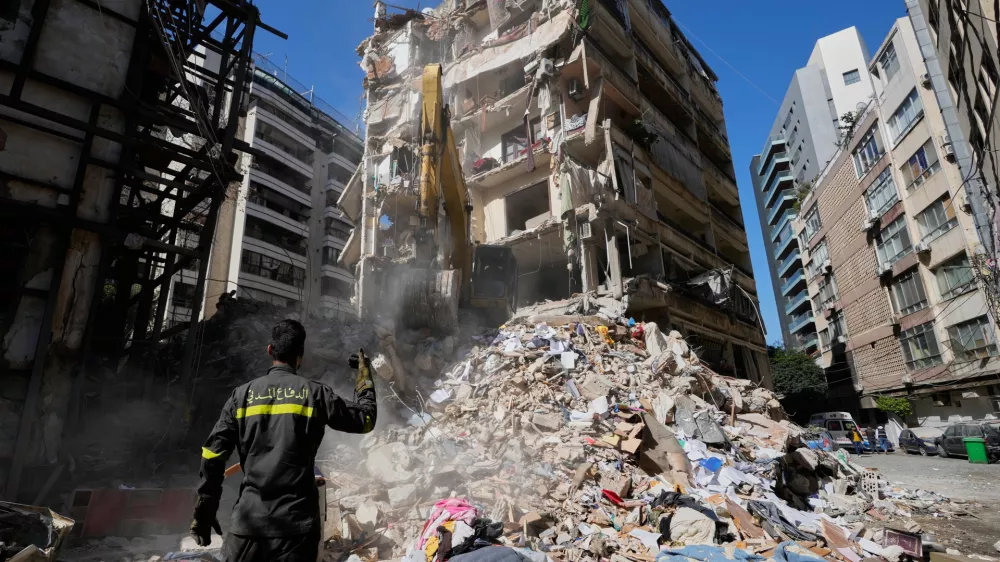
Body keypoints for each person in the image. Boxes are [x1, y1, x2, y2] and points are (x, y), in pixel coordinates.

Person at [191, 319, 377, 562]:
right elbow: (366, 420)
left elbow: (212, 454)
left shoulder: (241, 395)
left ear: (270, 350)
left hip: (247, 527)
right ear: (301, 355)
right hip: (297, 530)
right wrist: (364, 375)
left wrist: (205, 510)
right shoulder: (315, 394)